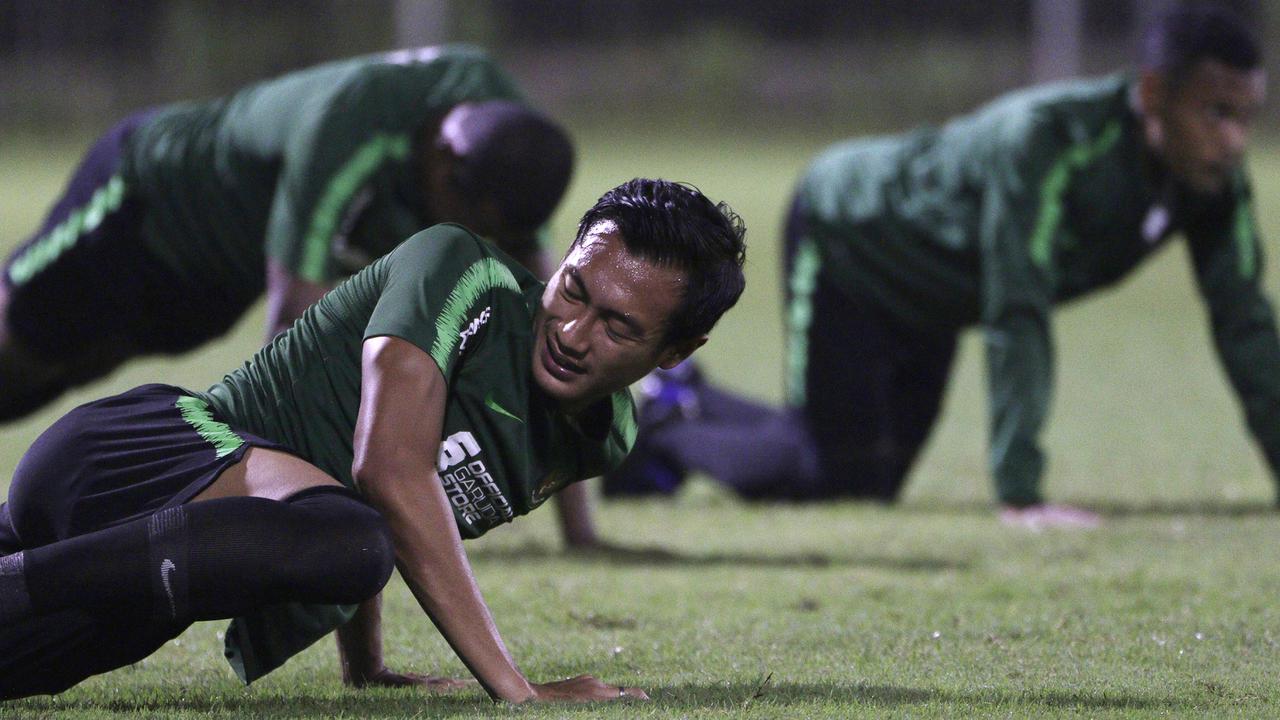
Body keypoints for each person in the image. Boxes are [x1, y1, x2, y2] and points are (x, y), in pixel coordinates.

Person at [0, 178, 748, 701]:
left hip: (153, 575)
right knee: (352, 542)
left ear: (675, 353)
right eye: (573, 290)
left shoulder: (598, 439)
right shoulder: (461, 272)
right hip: (145, 452)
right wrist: (519, 693)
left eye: (619, 326)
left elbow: (388, 509)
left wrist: (369, 668)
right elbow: (388, 470)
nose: (574, 332)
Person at [608, 5, 1278, 528]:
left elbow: (1246, 323)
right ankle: (667, 425)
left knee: (873, 484)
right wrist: (1022, 496)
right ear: (1155, 92)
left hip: (935, 298)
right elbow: (1018, 308)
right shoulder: (1048, 141)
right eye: (1216, 112)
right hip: (851, 236)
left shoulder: (1212, 182)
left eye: (1246, 117)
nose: (1233, 140)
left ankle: (688, 396)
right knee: (828, 481)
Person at [0, 44, 572, 422]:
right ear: (445, 159)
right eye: (474, 219)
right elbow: (295, 331)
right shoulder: (352, 128)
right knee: (23, 338)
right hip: (148, 198)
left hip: (221, 276)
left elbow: (544, 319)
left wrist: (579, 531)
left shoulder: (506, 151)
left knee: (79, 361)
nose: (474, 235)